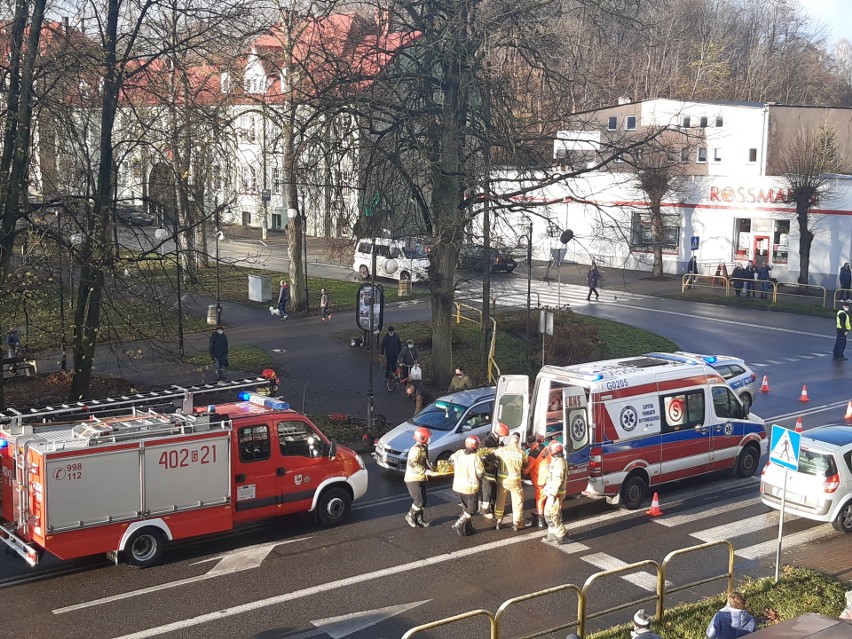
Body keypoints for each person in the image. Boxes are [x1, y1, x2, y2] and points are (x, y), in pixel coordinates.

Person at [450, 435, 484, 536]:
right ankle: (459, 524)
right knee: (472, 509)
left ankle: (467, 528)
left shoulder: (459, 453)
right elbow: (480, 473)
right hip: (470, 487)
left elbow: (450, 460)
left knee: (465, 507)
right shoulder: (475, 457)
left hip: (459, 485)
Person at [493, 431, 528, 531]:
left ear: (510, 440)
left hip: (502, 481)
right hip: (515, 482)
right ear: (518, 441)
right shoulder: (522, 453)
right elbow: (526, 465)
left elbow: (494, 455)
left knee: (500, 500)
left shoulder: (502, 450)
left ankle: (498, 521)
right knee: (518, 502)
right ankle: (517, 523)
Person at [404, 427, 432, 528]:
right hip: (413, 479)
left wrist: (431, 467)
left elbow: (425, 460)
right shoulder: (415, 449)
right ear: (422, 438)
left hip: (420, 477)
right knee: (419, 501)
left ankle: (420, 519)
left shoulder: (423, 447)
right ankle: (410, 516)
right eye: (428, 437)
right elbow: (412, 464)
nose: (430, 439)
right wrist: (425, 470)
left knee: (424, 500)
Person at [478, 423, 508, 518]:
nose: (503, 438)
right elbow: (482, 455)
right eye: (503, 436)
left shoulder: (498, 441)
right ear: (498, 433)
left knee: (494, 490)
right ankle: (485, 511)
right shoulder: (486, 442)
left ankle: (492, 507)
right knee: (487, 490)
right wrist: (493, 458)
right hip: (487, 471)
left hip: (494, 471)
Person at [542, 440, 568, 544]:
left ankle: (561, 533)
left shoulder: (559, 462)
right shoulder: (557, 461)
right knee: (550, 513)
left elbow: (558, 479)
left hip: (556, 493)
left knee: (551, 514)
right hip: (553, 492)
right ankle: (552, 534)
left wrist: (552, 493)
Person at [523, 435, 549, 528]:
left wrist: (522, 468)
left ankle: (541, 520)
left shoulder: (532, 455)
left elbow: (527, 470)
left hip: (540, 480)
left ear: (528, 444)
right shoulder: (544, 447)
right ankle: (556, 517)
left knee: (540, 500)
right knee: (551, 498)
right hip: (549, 477)